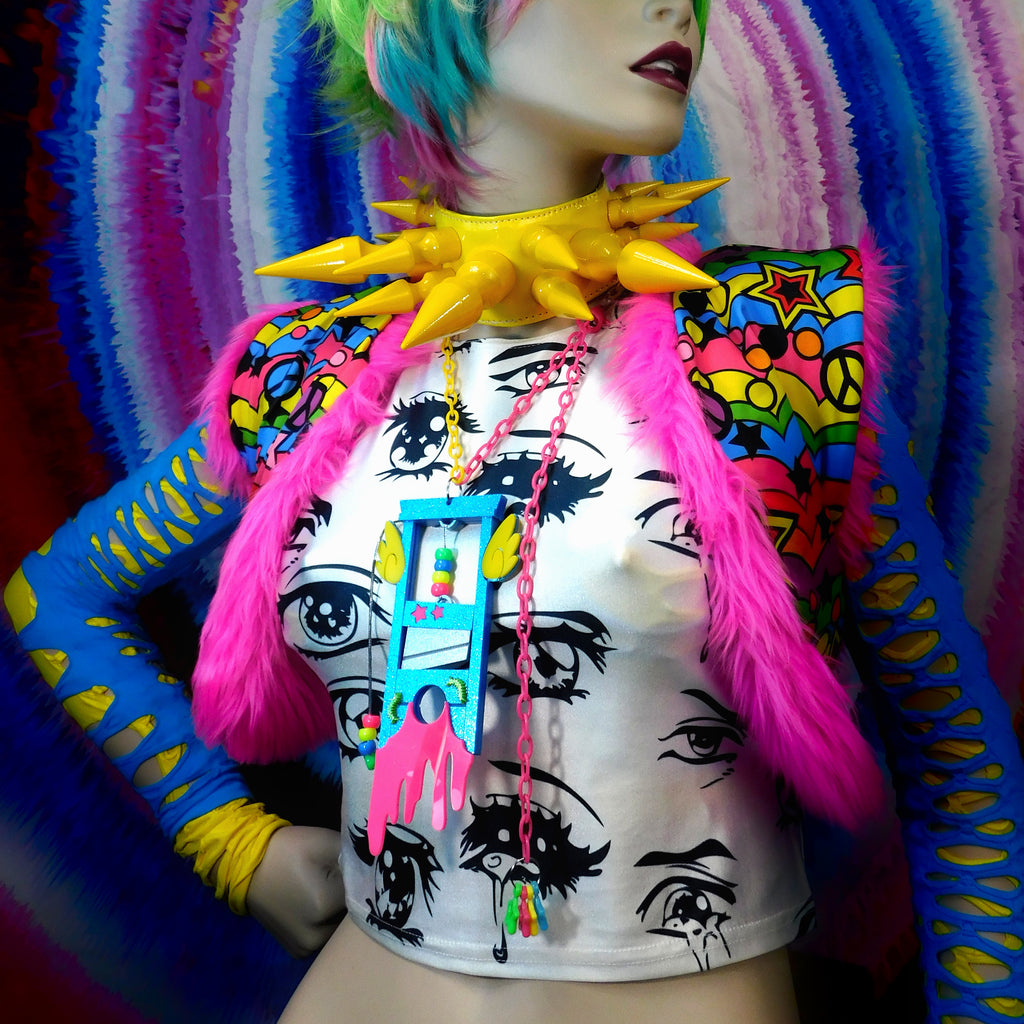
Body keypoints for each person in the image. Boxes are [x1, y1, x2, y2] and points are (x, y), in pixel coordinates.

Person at [5, 1, 1022, 1022]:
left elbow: (959, 766)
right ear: (405, 32)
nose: (674, 8)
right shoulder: (307, 378)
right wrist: (229, 838)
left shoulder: (774, 354)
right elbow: (59, 593)